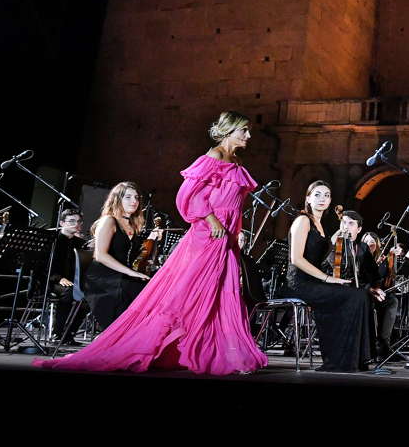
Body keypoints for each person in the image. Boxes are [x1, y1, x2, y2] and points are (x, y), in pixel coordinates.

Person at [36, 111, 268, 374]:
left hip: (226, 236)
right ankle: (157, 344)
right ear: (229, 131)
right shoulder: (213, 156)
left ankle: (215, 349)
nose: (248, 136)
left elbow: (232, 203)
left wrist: (233, 230)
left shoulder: (235, 160)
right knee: (192, 292)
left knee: (221, 292)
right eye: (244, 130)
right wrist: (213, 220)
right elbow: (188, 195)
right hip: (209, 235)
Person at [286, 182, 373, 372]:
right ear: (308, 198)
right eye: (317, 195)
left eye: (326, 195)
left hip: (314, 280)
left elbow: (323, 253)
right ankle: (337, 360)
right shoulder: (303, 220)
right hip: (299, 282)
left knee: (359, 294)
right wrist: (328, 279)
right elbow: (296, 259)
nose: (322, 199)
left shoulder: (321, 225)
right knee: (353, 296)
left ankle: (357, 359)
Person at [82, 182, 155, 330]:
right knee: (142, 290)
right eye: (128, 197)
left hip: (121, 275)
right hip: (103, 278)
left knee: (154, 287)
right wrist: (131, 272)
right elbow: (100, 255)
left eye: (136, 197)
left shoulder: (133, 225)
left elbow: (132, 257)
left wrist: (152, 245)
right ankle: (129, 335)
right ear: (117, 199)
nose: (134, 201)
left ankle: (143, 334)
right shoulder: (109, 221)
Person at [48, 209, 88, 344]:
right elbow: (44, 268)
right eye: (71, 221)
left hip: (73, 282)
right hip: (51, 281)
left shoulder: (80, 243)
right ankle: (57, 333)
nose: (76, 224)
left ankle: (68, 333)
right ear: (62, 223)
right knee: (70, 292)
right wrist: (59, 278)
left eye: (78, 221)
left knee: (89, 296)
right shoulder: (52, 241)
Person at [361, 230, 403, 360]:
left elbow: (386, 280)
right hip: (364, 293)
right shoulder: (359, 257)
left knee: (392, 301)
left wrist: (393, 258)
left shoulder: (383, 259)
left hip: (379, 294)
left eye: (372, 243)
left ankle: (384, 344)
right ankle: (375, 346)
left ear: (378, 245)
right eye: (366, 242)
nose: (369, 245)